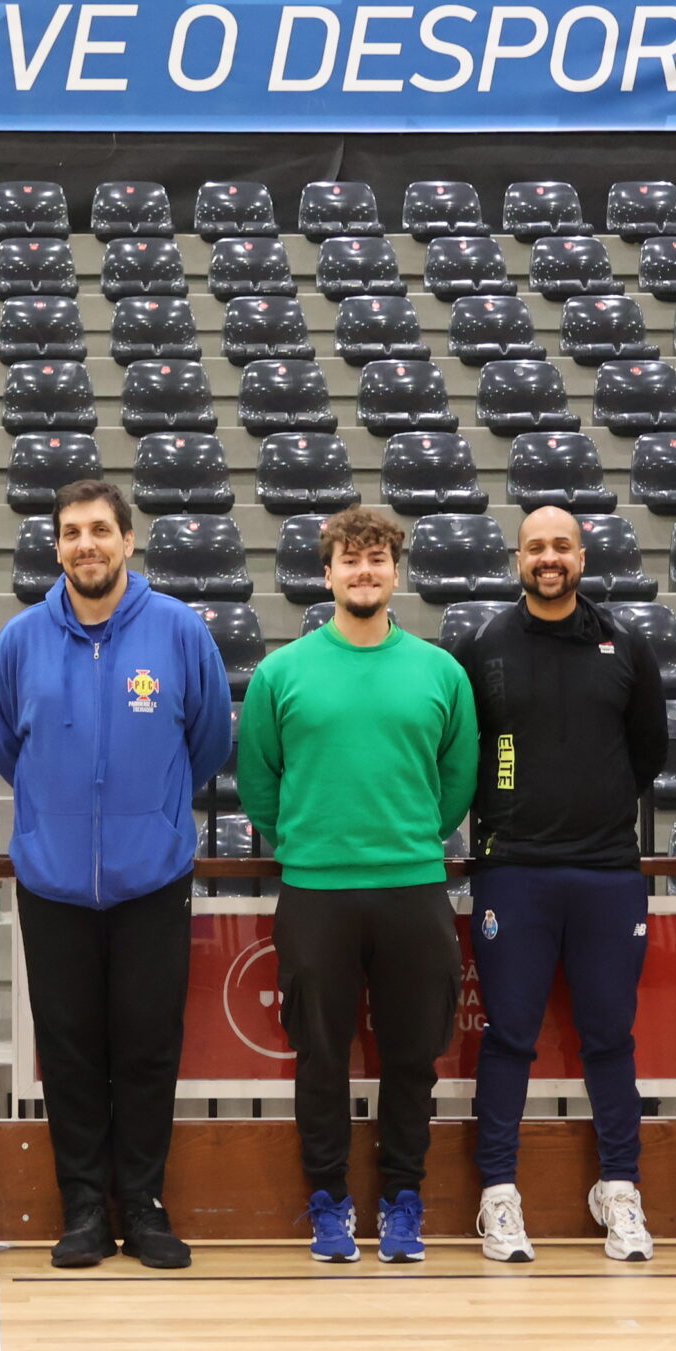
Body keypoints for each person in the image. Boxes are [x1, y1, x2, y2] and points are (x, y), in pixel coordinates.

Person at [0, 480, 232, 1270]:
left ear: (128, 540)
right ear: (56, 547)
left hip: (151, 879)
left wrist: (149, 813)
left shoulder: (179, 630)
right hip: (53, 882)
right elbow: (8, 745)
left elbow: (208, 740)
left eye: (99, 529)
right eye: (71, 532)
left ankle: (146, 1204)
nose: (85, 543)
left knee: (149, 1048)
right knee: (70, 1053)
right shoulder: (21, 639)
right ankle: (85, 1207)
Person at [236, 506, 476, 1265]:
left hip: (412, 886)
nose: (364, 571)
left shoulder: (441, 672)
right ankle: (329, 1202)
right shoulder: (282, 673)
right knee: (320, 1057)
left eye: (377, 559)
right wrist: (310, 840)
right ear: (328, 572)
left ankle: (404, 1199)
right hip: (316, 891)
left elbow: (458, 778)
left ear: (395, 573)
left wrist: (408, 836)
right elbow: (258, 781)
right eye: (350, 559)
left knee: (412, 1058)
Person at [445, 506, 665, 1264]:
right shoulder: (484, 646)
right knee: (509, 1034)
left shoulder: (626, 644)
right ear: (518, 558)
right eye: (536, 546)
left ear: (581, 556)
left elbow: (647, 752)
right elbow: (466, 751)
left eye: (561, 546)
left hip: (607, 873)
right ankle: (499, 1193)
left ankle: (621, 1188)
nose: (549, 557)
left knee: (610, 1036)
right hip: (514, 871)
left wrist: (594, 807)